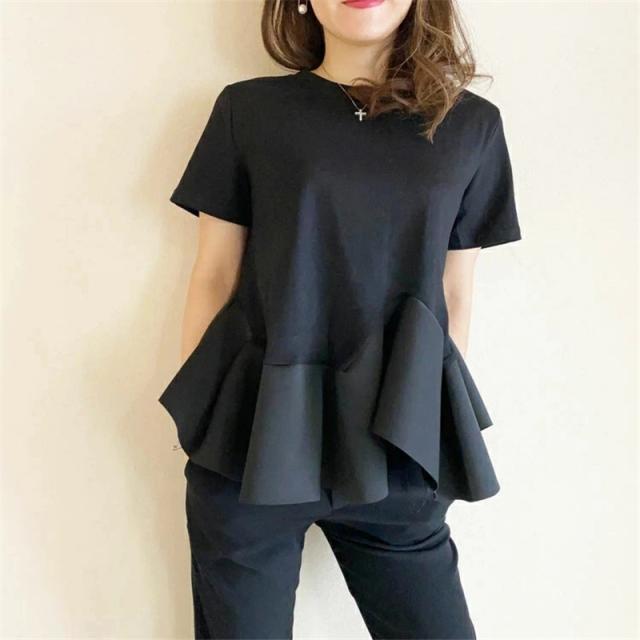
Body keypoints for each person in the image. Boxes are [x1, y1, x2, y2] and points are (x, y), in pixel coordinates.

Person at [159, 0, 522, 637]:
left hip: (396, 450)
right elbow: (214, 273)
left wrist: (429, 429)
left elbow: (455, 291)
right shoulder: (250, 110)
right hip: (252, 443)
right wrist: (204, 422)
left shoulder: (470, 125)